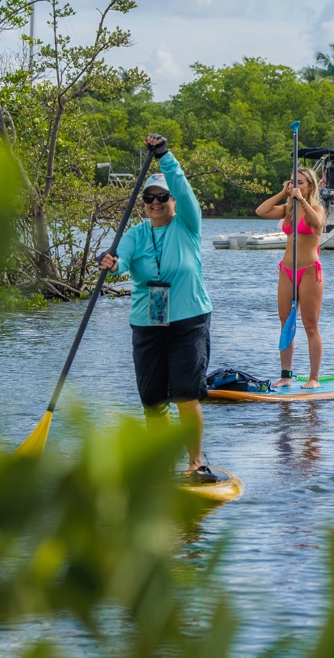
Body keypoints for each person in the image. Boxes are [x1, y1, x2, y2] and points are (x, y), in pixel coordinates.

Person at [99, 135, 215, 482]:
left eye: (162, 197)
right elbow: (120, 261)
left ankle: (196, 462)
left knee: (184, 394)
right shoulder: (135, 234)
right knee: (152, 400)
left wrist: (164, 157)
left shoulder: (188, 225)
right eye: (149, 198)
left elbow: (181, 184)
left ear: (173, 201)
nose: (155, 203)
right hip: (147, 323)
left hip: (189, 320)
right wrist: (110, 262)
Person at [255, 167, 327, 389]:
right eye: (293, 182)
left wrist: (302, 201)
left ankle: (313, 378)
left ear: (310, 186)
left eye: (301, 182)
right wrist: (283, 194)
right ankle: (286, 375)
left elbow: (316, 222)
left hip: (308, 271)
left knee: (310, 325)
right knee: (285, 323)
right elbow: (261, 211)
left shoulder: (316, 208)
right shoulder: (288, 209)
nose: (296, 185)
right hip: (286, 271)